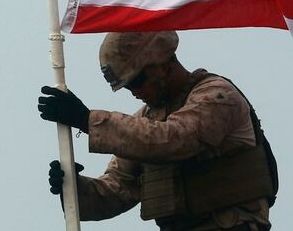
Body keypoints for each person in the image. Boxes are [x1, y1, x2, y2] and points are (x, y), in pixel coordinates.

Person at [37, 31, 276, 231]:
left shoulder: (217, 96)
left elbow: (175, 139)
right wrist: (73, 188)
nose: (133, 91)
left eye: (137, 81)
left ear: (162, 64)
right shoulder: (147, 120)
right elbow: (118, 189)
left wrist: (86, 120)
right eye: (127, 86)